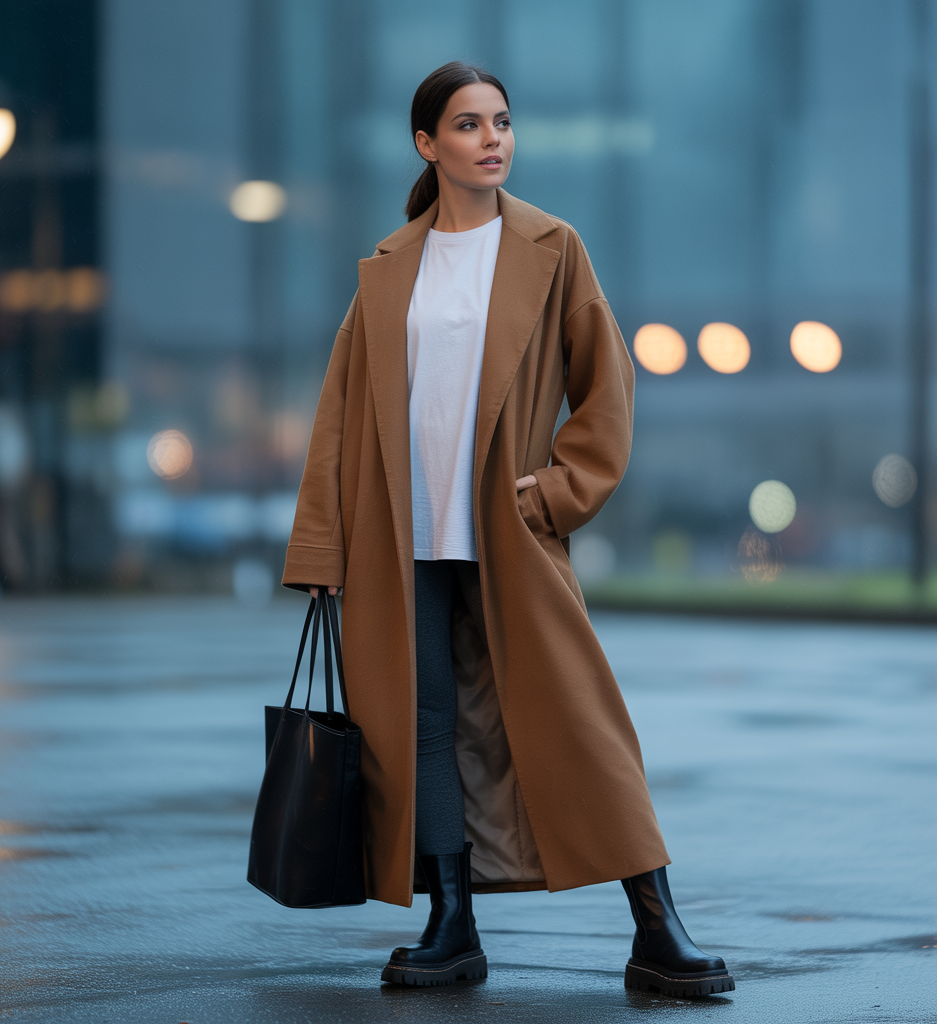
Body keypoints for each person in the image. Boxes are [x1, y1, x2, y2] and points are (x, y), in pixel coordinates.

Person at [283, 61, 734, 998]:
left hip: (512, 536)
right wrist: (322, 549)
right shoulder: (387, 266)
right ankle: (453, 925)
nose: (492, 139)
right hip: (399, 545)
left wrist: (559, 495)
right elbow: (338, 417)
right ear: (426, 144)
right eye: (468, 124)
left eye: (502, 122)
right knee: (427, 729)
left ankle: (658, 926)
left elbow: (607, 391)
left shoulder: (551, 247)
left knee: (579, 719)